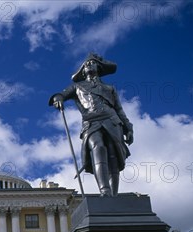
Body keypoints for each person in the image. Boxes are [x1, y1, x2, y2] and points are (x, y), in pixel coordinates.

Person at [49, 53, 133, 197]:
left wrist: (128, 127)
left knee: (113, 155)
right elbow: (61, 94)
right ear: (82, 71)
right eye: (86, 64)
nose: (89, 65)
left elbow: (119, 109)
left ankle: (114, 194)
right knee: (97, 147)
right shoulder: (77, 86)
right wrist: (58, 99)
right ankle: (104, 190)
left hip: (112, 120)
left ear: (99, 68)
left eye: (92, 63)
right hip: (91, 121)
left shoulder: (109, 88)